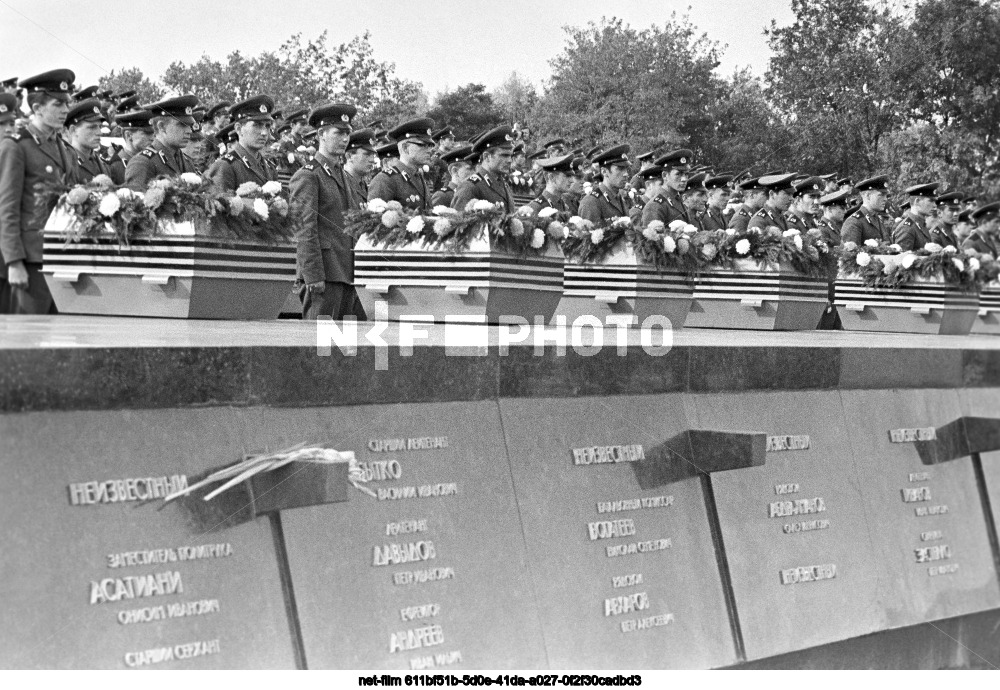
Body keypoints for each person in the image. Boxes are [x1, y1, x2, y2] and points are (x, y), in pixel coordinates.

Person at [0, 68, 75, 314]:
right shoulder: (17, 146)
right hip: (31, 261)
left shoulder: (61, 147)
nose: (66, 109)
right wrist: (13, 262)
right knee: (26, 342)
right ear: (37, 108)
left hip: (60, 258)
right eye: (58, 103)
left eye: (67, 103)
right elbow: (7, 209)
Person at [289, 103, 362, 320]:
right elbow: (304, 229)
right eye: (339, 132)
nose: (345, 139)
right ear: (321, 134)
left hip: (346, 273)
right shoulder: (309, 175)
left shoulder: (343, 175)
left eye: (348, 133)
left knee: (344, 350)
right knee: (319, 348)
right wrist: (312, 276)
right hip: (323, 277)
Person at [124, 95, 201, 191]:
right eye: (182, 125)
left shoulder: (186, 161)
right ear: (162, 127)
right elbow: (138, 203)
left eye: (189, 126)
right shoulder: (142, 162)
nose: (189, 131)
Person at [206, 95, 278, 192]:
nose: (264, 133)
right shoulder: (225, 166)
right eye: (257, 125)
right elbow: (218, 205)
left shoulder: (269, 166)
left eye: (267, 126)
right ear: (239, 129)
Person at [368, 117, 436, 211]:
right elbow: (373, 221)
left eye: (429, 146)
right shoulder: (385, 180)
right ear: (405, 148)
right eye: (423, 145)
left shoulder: (418, 176)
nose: (429, 150)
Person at [451, 125, 518, 212]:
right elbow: (458, 223)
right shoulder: (470, 187)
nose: (509, 160)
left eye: (510, 155)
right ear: (486, 157)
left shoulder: (503, 184)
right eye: (504, 155)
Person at [578, 145, 631, 224]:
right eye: (620, 169)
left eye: (626, 169)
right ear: (604, 172)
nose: (626, 174)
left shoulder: (619, 196)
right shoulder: (591, 202)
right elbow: (589, 235)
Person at [64, 99, 114, 184]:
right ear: (73, 130)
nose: (99, 132)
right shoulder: (65, 164)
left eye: (99, 127)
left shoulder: (102, 163)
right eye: (92, 127)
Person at [642, 149, 692, 227]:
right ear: (665, 175)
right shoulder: (655, 205)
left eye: (686, 174)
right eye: (678, 174)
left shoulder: (677, 199)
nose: (684, 179)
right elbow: (652, 237)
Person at [841, 175, 891, 245]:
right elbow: (850, 254)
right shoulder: (853, 222)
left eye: (886, 195)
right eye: (881, 195)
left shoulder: (876, 218)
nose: (885, 199)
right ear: (867, 196)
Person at [893, 183, 939, 251]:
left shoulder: (921, 224)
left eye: (935, 201)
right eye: (931, 201)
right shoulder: (907, 228)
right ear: (917, 201)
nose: (935, 205)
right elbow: (903, 259)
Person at [344, 128, 378, 205]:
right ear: (349, 156)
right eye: (367, 154)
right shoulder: (342, 184)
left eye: (373, 155)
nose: (372, 160)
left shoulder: (362, 183)